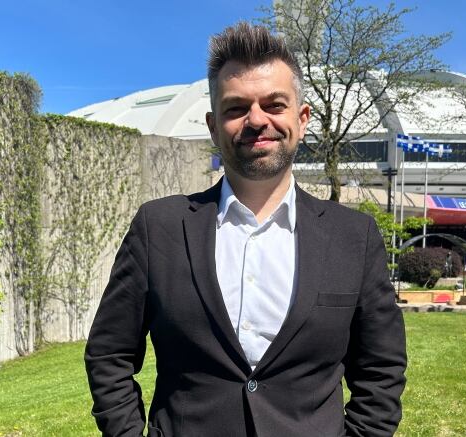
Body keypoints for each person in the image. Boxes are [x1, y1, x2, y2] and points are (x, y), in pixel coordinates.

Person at [85, 22, 407, 437]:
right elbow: (109, 354)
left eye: (274, 104)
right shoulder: (158, 228)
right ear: (213, 126)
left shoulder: (354, 236)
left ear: (302, 118)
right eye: (236, 108)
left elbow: (381, 368)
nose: (257, 120)